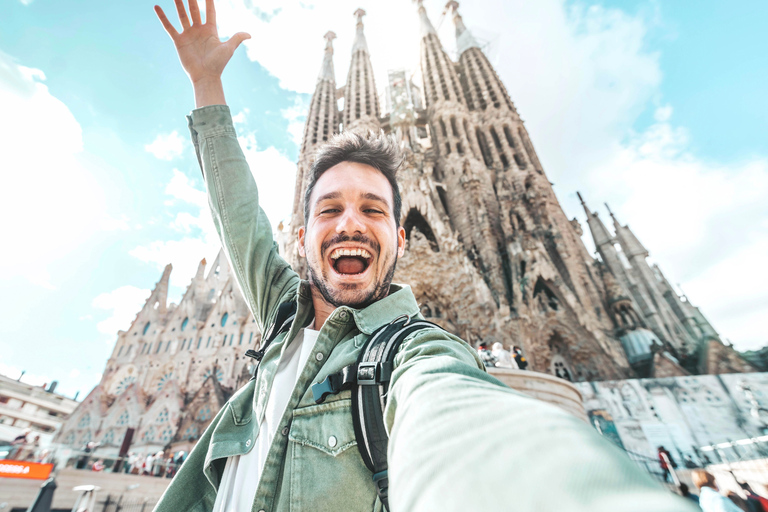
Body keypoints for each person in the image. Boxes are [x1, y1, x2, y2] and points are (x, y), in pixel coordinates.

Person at [152, 1, 698, 510]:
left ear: (401, 237)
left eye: (373, 209)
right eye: (329, 209)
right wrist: (207, 85)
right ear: (299, 236)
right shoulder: (281, 312)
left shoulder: (410, 348)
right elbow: (238, 216)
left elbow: (456, 410)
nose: (350, 223)